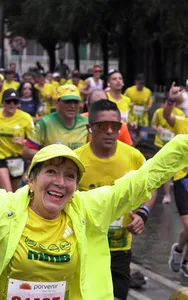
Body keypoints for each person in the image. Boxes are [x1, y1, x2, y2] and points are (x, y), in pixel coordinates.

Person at [0, 83, 188, 299]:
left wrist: (183, 144)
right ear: (31, 180)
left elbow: (144, 178)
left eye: (70, 176)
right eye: (51, 172)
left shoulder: (88, 208)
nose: (60, 182)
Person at [75, 100, 155, 300]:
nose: (110, 131)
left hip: (119, 248)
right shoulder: (76, 160)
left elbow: (152, 187)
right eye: (102, 126)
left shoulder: (133, 157)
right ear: (90, 128)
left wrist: (142, 214)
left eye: (116, 126)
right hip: (86, 248)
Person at [0, 89, 34, 192]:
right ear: (3, 103)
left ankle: (4, 207)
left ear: (18, 103)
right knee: (8, 191)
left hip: (17, 159)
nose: (11, 104)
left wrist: (23, 141)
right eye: (8, 101)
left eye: (15, 101)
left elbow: (34, 140)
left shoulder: (25, 118)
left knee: (13, 192)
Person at [22, 84, 88, 159]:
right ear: (57, 103)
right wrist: (52, 158)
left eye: (75, 102)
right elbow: (26, 151)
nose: (72, 106)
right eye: (68, 102)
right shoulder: (46, 123)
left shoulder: (86, 123)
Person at [163, 83, 188, 277]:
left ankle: (183, 257)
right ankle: (180, 250)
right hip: (183, 179)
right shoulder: (182, 122)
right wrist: (171, 99)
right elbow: (166, 116)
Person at [151, 100, 184, 204]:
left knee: (172, 169)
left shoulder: (179, 113)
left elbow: (181, 128)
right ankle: (166, 193)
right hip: (160, 143)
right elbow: (153, 124)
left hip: (174, 146)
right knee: (164, 169)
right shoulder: (158, 112)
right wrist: (157, 128)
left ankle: (169, 191)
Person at [125, 74, 152, 139]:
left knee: (143, 137)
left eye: (143, 83)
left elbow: (150, 103)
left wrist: (148, 107)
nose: (141, 85)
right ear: (136, 82)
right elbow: (124, 101)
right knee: (131, 137)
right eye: (139, 83)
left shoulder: (148, 91)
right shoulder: (129, 90)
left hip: (143, 119)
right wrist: (129, 105)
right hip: (131, 118)